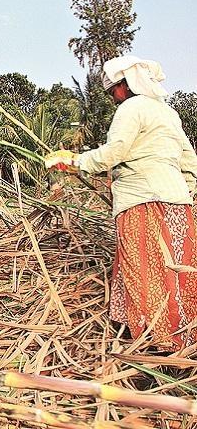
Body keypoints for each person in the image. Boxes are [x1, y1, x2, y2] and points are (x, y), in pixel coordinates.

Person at [45, 55, 197, 350]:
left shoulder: (131, 108)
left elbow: (113, 152)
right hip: (178, 205)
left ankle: (159, 344)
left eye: (113, 89)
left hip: (143, 205)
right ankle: (187, 334)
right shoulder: (167, 113)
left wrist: (73, 161)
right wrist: (185, 192)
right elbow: (189, 160)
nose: (112, 97)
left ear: (126, 85)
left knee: (147, 274)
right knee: (179, 273)